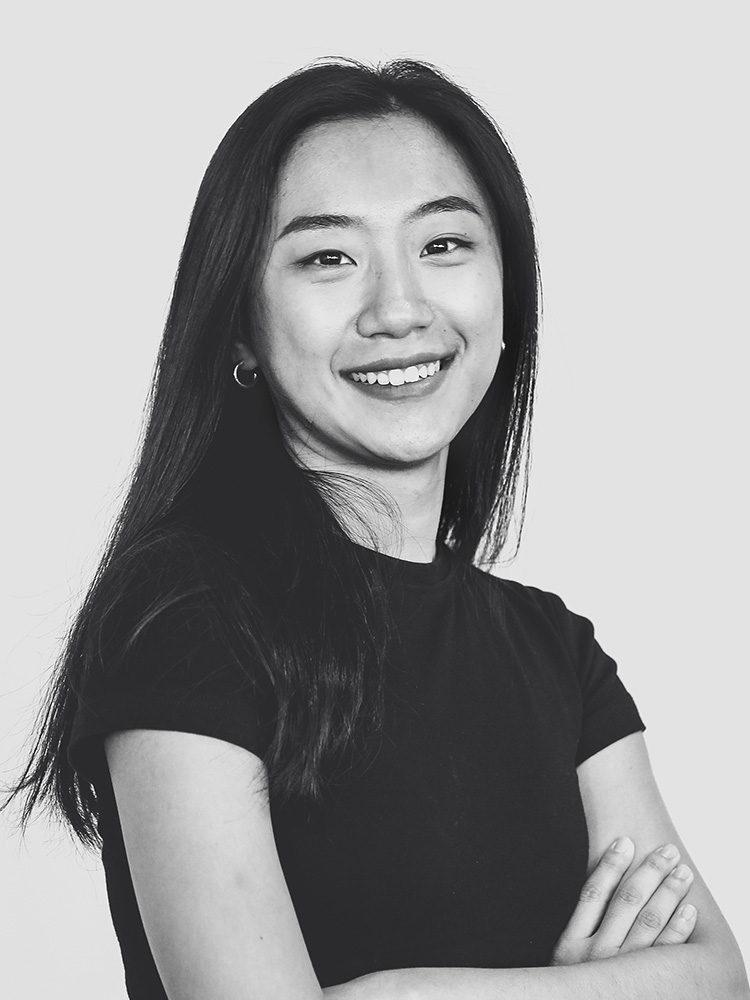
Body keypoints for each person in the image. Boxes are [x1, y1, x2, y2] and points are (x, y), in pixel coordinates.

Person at [5, 59, 748, 1000]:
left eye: (444, 245)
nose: (400, 308)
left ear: (507, 291)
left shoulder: (559, 653)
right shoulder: (187, 620)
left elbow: (717, 977)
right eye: (328, 257)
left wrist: (393, 995)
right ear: (238, 326)